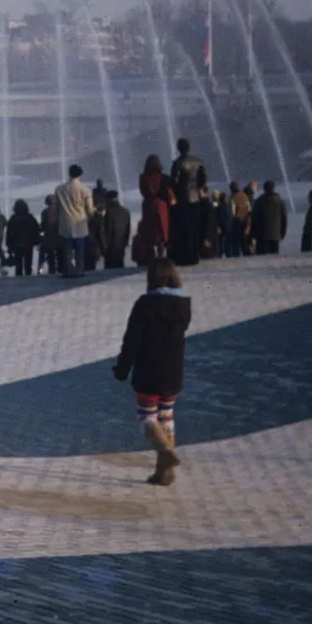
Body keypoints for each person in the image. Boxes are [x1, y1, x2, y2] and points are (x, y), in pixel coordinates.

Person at [112, 258, 190, 487]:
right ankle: (163, 473)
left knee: (146, 417)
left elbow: (131, 341)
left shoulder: (145, 304)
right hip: (174, 370)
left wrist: (122, 369)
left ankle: (165, 452)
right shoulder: (184, 305)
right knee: (166, 416)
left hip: (149, 369)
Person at [169, 139, 207, 266]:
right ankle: (195, 255)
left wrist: (177, 192)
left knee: (183, 229)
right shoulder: (198, 161)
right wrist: (196, 188)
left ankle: (185, 256)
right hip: (195, 198)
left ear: (178, 148)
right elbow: (203, 179)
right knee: (194, 228)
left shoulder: (178, 163)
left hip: (183, 199)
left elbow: (174, 181)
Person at [55, 164, 95, 277]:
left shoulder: (59, 189)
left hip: (65, 223)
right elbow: (90, 209)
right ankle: (80, 270)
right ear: (81, 174)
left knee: (67, 250)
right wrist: (90, 217)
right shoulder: (85, 190)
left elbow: (56, 208)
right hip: (80, 223)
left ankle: (67, 270)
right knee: (80, 250)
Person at [135, 155, 172, 265]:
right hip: (161, 206)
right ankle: (160, 257)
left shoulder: (143, 177)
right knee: (161, 232)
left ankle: (151, 259)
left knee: (149, 232)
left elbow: (143, 192)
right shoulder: (162, 177)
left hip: (148, 206)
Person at [5, 199, 40, 277]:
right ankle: (28, 276)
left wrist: (9, 244)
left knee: (18, 265)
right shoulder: (30, 217)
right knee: (28, 263)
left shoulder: (13, 218)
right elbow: (36, 229)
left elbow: (9, 233)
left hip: (16, 244)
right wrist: (37, 241)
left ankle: (19, 278)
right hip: (28, 243)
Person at [251, 181, 287, 255]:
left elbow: (254, 219)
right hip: (275, 235)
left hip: (262, 235)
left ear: (264, 189)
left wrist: (253, 234)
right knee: (274, 258)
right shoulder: (280, 201)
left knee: (262, 259)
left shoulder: (259, 201)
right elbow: (284, 219)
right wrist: (282, 233)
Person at [102, 191, 131, 269]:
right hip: (121, 244)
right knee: (120, 266)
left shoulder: (109, 213)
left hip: (111, 246)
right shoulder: (125, 211)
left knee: (110, 269)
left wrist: (104, 246)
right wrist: (126, 242)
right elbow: (128, 228)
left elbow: (107, 230)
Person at [38, 195, 62, 275]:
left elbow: (43, 226)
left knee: (50, 258)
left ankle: (47, 270)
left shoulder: (44, 212)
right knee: (59, 258)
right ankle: (60, 270)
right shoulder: (59, 212)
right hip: (58, 238)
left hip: (48, 238)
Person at [229, 182, 252, 257]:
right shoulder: (245, 196)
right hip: (245, 221)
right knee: (244, 243)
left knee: (235, 243)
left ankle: (236, 257)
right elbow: (249, 210)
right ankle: (248, 256)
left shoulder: (233, 197)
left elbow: (232, 212)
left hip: (237, 222)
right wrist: (248, 225)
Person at [214, 191, 233, 258]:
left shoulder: (219, 208)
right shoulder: (229, 207)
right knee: (227, 242)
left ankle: (220, 253)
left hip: (222, 227)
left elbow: (218, 218)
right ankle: (228, 254)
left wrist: (218, 226)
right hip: (229, 226)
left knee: (221, 242)